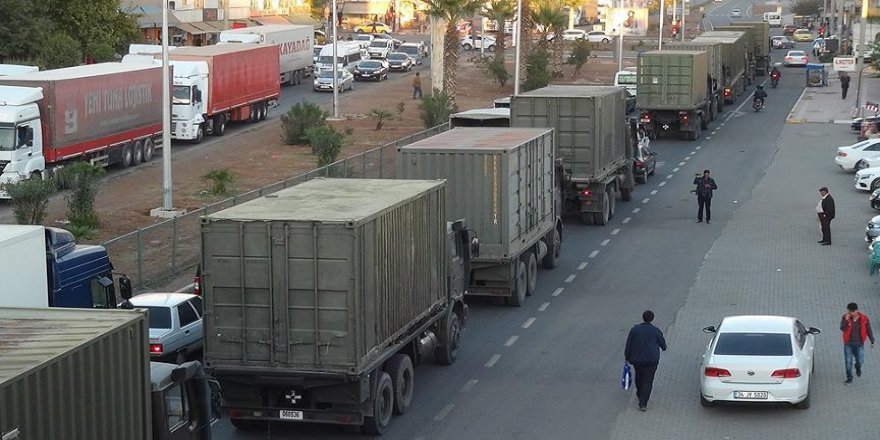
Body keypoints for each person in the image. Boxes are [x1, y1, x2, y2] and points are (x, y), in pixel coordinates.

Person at [624, 310, 667, 411]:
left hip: (637, 359)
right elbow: (663, 346)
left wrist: (627, 356)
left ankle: (639, 394)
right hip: (652, 360)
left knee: (639, 377)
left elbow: (629, 344)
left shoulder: (634, 330)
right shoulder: (656, 330)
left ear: (643, 318)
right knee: (648, 381)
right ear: (652, 319)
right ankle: (643, 403)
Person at [841, 302, 875, 384]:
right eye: (849, 311)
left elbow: (868, 329)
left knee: (860, 361)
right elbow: (842, 328)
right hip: (848, 344)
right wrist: (846, 320)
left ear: (856, 311)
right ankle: (849, 378)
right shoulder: (845, 317)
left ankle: (858, 367)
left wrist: (872, 340)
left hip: (859, 344)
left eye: (851, 312)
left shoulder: (864, 319)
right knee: (848, 362)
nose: (849, 313)